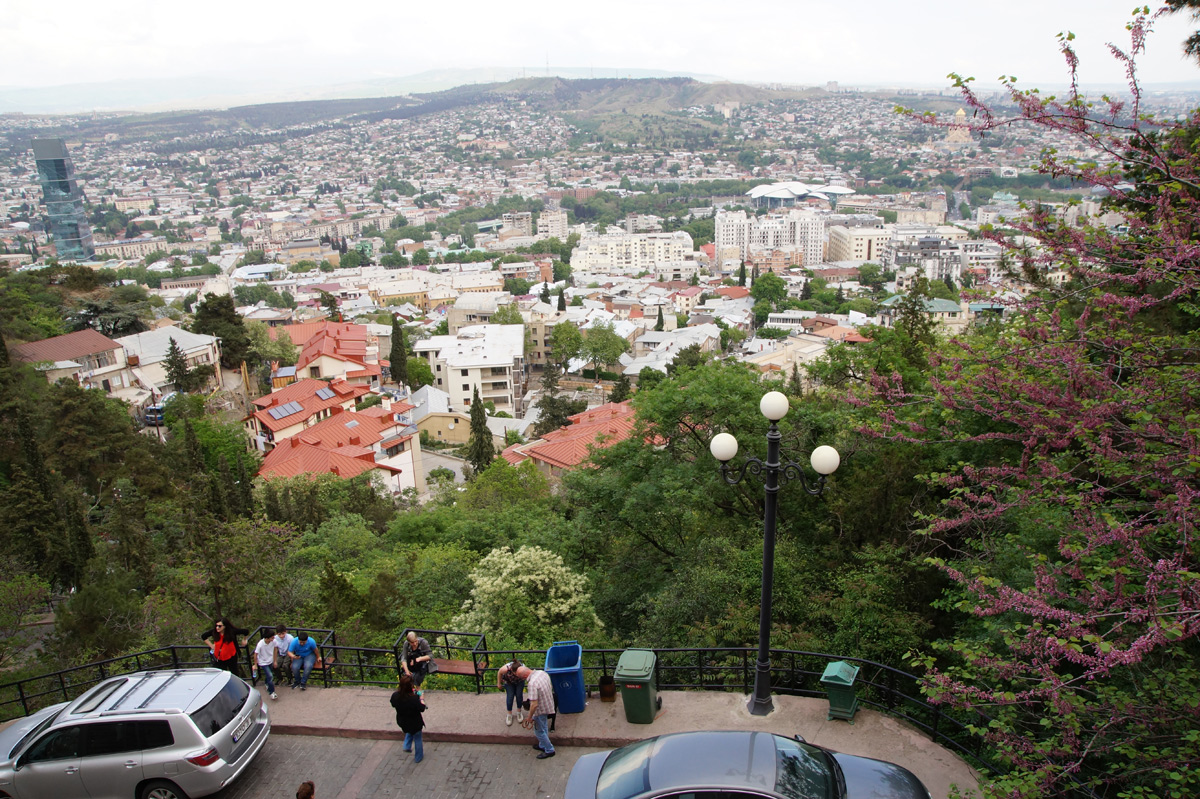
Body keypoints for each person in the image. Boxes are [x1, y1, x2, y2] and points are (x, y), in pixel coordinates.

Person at [390, 673, 426, 763]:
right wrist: (421, 699)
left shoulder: (395, 696)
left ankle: (406, 745)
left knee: (409, 731)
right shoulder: (413, 699)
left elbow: (393, 703)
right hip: (415, 722)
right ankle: (418, 757)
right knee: (417, 738)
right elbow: (422, 708)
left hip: (403, 721)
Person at [521, 667, 556, 759]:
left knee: (539, 732)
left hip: (539, 710)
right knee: (544, 726)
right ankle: (542, 745)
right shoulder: (542, 673)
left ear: (524, 676)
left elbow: (534, 705)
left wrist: (529, 717)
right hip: (547, 705)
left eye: (521, 677)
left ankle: (549, 749)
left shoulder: (532, 684)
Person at [497, 659, 530, 726]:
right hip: (509, 681)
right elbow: (499, 672)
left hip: (519, 681)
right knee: (510, 696)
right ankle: (509, 714)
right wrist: (499, 683)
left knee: (519, 695)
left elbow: (528, 675)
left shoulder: (523, 668)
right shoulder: (506, 669)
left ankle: (519, 712)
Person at [253, 629, 279, 699]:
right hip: (263, 662)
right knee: (270, 676)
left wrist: (275, 660)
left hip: (270, 660)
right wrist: (255, 664)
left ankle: (267, 683)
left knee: (269, 675)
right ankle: (272, 692)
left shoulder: (274, 641)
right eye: (272, 637)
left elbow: (275, 649)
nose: (273, 638)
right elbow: (255, 654)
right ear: (267, 638)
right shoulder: (260, 644)